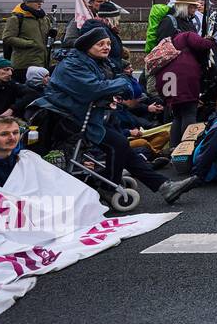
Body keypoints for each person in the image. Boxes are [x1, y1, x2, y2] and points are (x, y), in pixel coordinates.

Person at [32, 26, 177, 201]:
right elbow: (94, 89)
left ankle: (163, 186)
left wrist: (117, 87)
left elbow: (127, 91)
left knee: (123, 148)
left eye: (108, 43)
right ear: (87, 46)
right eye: (100, 44)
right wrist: (120, 84)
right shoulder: (72, 64)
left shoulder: (98, 63)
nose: (106, 47)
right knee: (119, 145)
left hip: (88, 116)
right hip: (68, 120)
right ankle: (108, 187)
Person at [154, 12, 216, 149]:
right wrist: (213, 39)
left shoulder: (168, 43)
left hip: (166, 79)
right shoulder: (187, 35)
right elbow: (203, 44)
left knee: (177, 115)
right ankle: (187, 148)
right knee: (189, 112)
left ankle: (174, 147)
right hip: (183, 79)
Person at [2, 0, 54, 81]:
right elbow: (7, 38)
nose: (40, 3)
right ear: (27, 3)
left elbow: (44, 40)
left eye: (41, 2)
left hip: (42, 63)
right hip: (23, 64)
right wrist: (29, 43)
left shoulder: (44, 19)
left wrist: (51, 35)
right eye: (36, 1)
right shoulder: (16, 19)